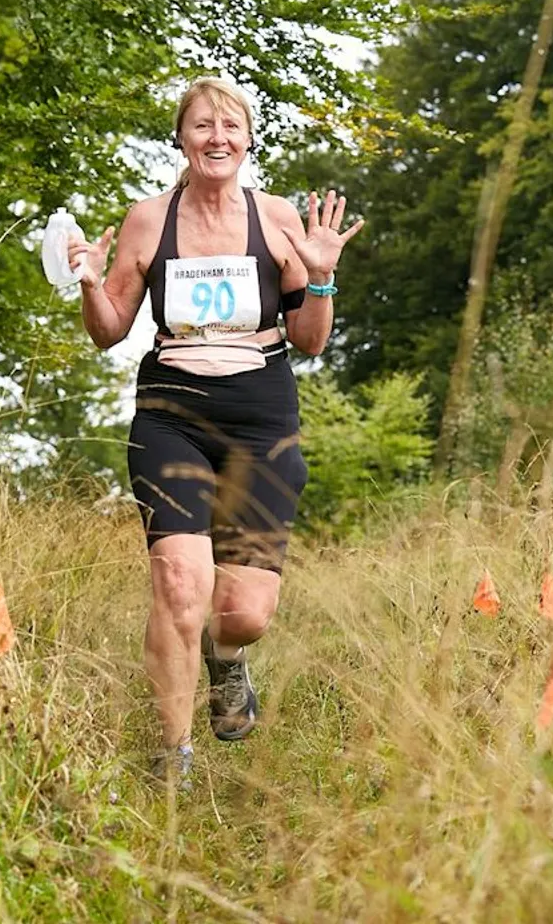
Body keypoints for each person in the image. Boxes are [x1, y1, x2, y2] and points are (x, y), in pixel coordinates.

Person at [65, 77, 363, 785]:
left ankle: (227, 665)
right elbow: (110, 331)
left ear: (249, 139)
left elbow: (311, 341)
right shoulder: (148, 220)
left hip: (261, 413)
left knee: (242, 613)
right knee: (179, 586)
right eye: (202, 126)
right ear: (181, 138)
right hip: (173, 412)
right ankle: (175, 756)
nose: (216, 138)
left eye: (230, 126)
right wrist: (89, 282)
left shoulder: (279, 218)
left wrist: (319, 279)